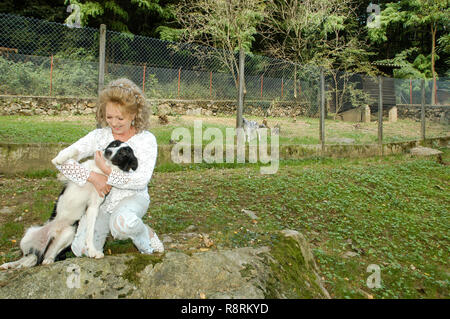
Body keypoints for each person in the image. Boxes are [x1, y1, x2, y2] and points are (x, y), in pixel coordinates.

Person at [52, 78, 164, 256]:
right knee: (80, 250)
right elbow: (61, 161)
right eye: (109, 117)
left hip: (133, 197)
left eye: (121, 118)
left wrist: (106, 171)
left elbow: (141, 180)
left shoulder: (146, 139)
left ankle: (145, 234)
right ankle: (104, 230)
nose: (114, 123)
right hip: (101, 203)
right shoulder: (98, 136)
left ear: (134, 114)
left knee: (122, 225)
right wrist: (94, 177)